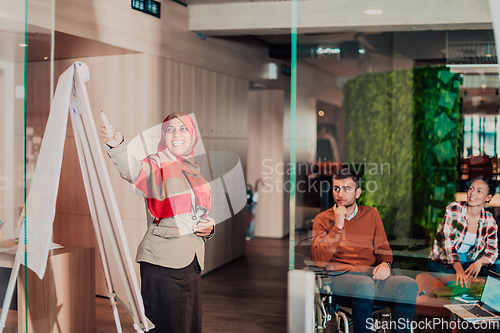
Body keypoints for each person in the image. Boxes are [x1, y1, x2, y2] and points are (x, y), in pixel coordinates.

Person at [101, 112, 215, 333]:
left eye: (183, 128)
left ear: (193, 135)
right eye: (170, 129)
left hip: (191, 261)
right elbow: (132, 170)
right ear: (164, 135)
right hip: (163, 263)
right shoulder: (156, 165)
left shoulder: (194, 169)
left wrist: (209, 228)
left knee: (188, 325)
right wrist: (116, 145)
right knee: (167, 327)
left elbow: (200, 214)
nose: (176, 134)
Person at [311, 169, 418, 333]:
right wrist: (338, 226)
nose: (340, 193)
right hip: (339, 282)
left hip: (370, 278)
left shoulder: (371, 214)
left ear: (357, 193)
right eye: (336, 188)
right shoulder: (323, 219)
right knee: (364, 284)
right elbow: (319, 259)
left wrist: (385, 264)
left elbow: (383, 248)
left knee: (408, 284)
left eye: (347, 188)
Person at [428, 178, 498, 288]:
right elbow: (448, 245)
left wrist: (479, 263)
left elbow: (493, 251)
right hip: (443, 262)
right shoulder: (454, 209)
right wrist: (459, 271)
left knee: (497, 271)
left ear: (488, 197)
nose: (472, 193)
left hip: (468, 263)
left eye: (479, 191)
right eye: (471, 188)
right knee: (458, 284)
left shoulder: (489, 220)